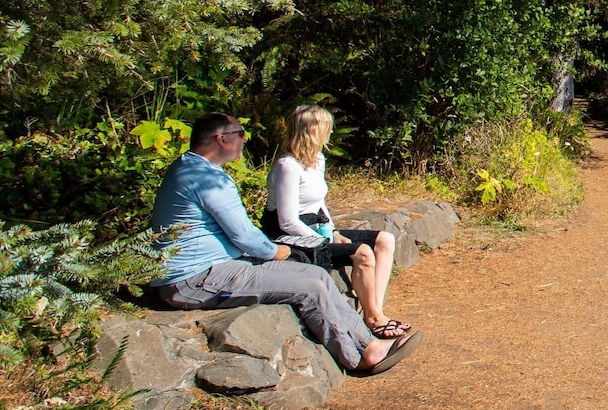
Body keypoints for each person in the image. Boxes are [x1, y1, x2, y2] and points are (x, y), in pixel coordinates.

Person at [147, 112, 420, 375]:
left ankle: (369, 345)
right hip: (195, 278)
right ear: (222, 139)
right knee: (309, 287)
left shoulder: (192, 168)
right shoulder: (206, 179)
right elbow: (244, 236)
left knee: (316, 275)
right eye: (240, 133)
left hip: (216, 267)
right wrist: (277, 250)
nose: (245, 139)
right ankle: (358, 357)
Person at [263, 105, 410, 339]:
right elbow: (288, 221)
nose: (331, 133)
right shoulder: (287, 166)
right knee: (363, 253)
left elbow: (319, 203)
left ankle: (375, 308)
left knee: (385, 240)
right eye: (327, 128)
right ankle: (374, 319)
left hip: (317, 228)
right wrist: (325, 241)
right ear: (312, 131)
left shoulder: (317, 159)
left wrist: (332, 230)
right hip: (290, 236)